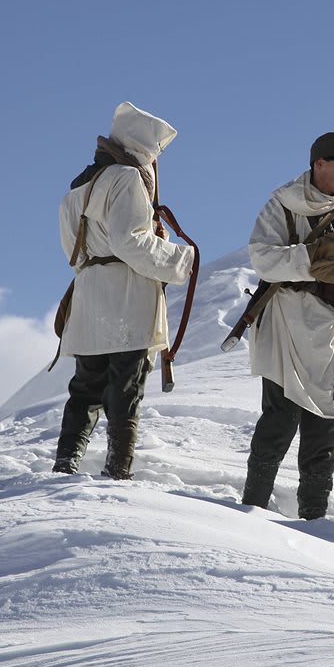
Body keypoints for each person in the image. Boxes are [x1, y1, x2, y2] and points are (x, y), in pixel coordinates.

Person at [241, 132, 334, 519]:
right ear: (318, 164)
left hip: (329, 334)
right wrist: (312, 257)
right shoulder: (282, 206)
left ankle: (315, 520)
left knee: (323, 432)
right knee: (278, 419)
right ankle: (251, 508)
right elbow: (263, 260)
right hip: (283, 326)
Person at [51, 102, 195, 480]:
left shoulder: (77, 188)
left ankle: (66, 461)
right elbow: (130, 243)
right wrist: (181, 258)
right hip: (126, 294)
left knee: (86, 385)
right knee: (125, 385)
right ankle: (118, 469)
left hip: (89, 294)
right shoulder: (127, 178)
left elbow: (73, 252)